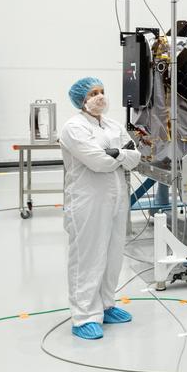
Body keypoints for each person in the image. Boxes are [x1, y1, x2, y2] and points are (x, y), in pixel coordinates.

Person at [60, 78, 141, 340]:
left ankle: (106, 305)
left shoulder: (113, 125)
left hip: (116, 199)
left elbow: (135, 158)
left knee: (113, 255)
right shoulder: (74, 128)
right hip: (88, 201)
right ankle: (84, 316)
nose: (99, 97)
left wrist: (114, 153)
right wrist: (118, 155)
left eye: (102, 92)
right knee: (88, 257)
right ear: (81, 99)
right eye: (93, 93)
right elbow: (98, 162)